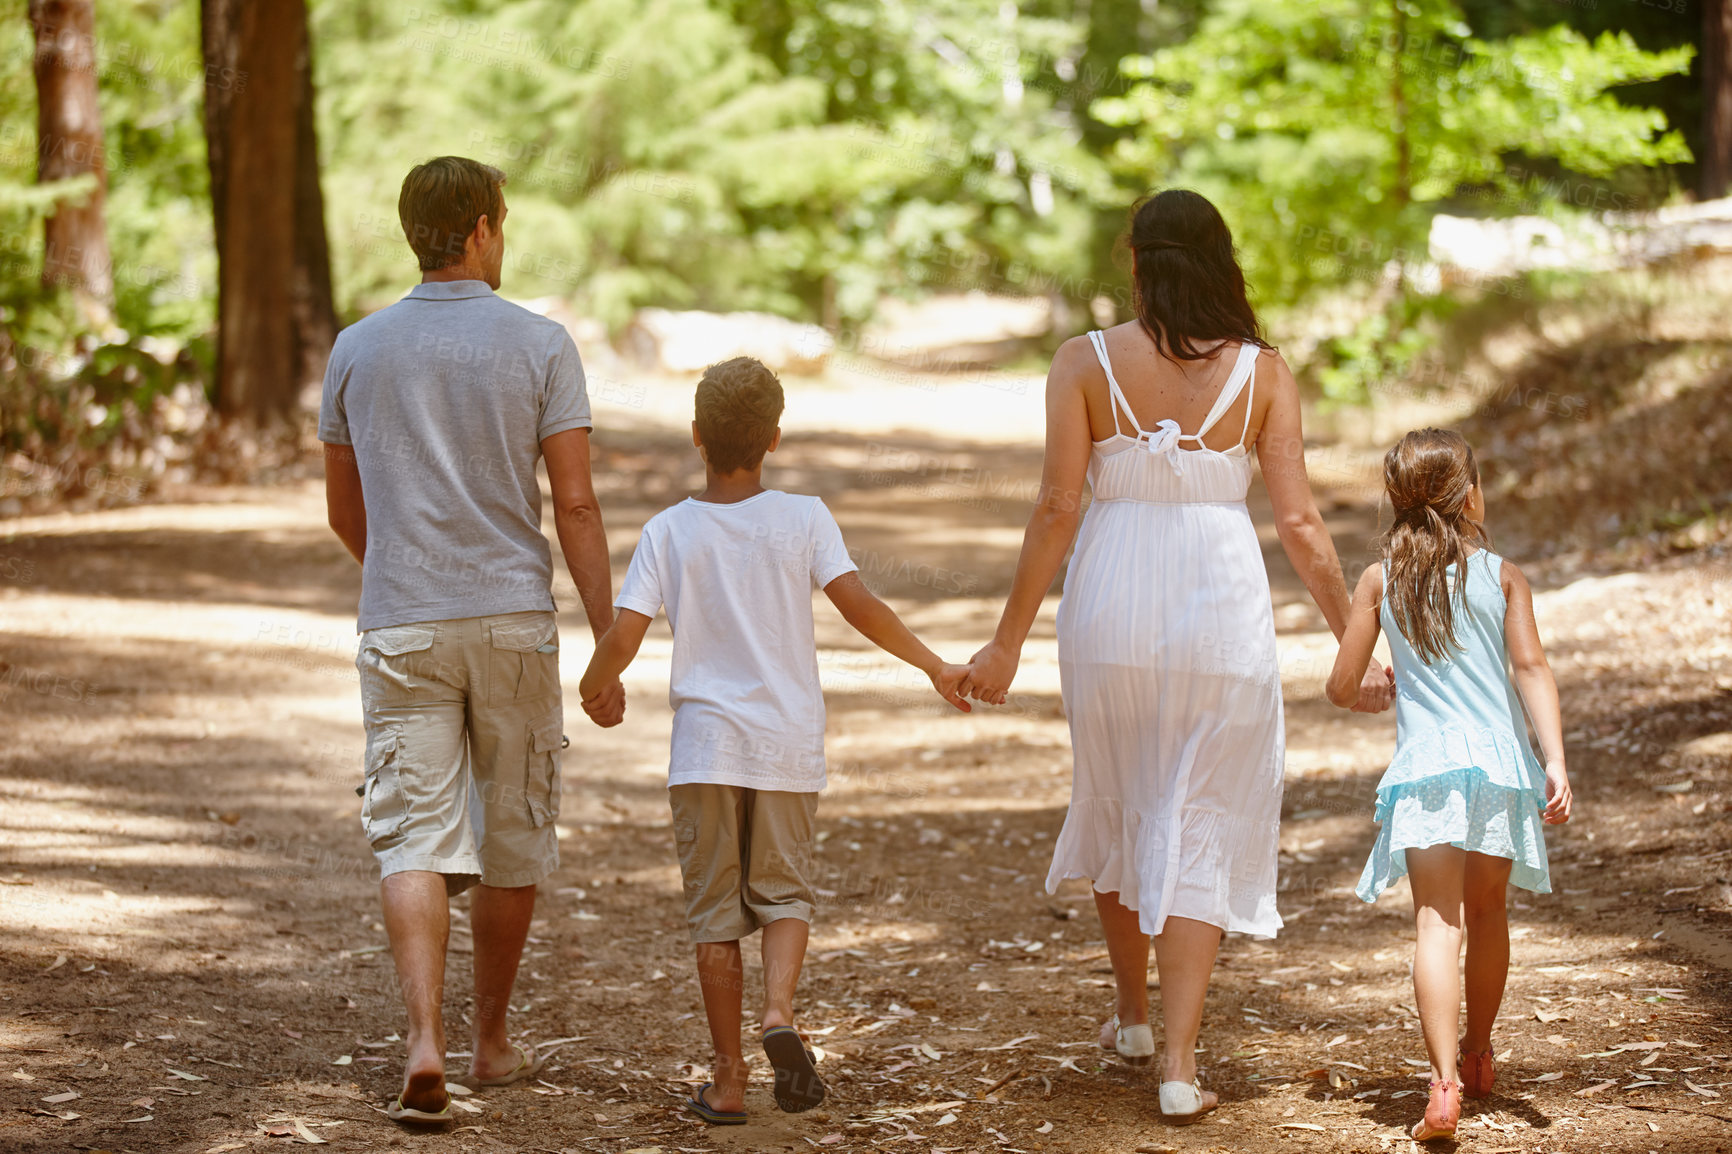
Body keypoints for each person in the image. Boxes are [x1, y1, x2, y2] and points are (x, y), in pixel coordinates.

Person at [961, 189, 1394, 1123]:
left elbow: (1055, 508)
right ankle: (1181, 1064)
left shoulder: (1083, 361)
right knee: (1197, 809)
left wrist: (1006, 642)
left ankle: (1131, 1014)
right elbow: (1303, 525)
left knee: (1122, 790)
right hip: (1218, 610)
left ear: (1139, 260)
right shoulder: (1266, 374)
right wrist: (1352, 645)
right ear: (1221, 260)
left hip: (1111, 604)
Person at [578, 356, 971, 1125]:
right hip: (787, 743)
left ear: (696, 436)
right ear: (775, 439)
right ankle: (780, 1014)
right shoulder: (805, 517)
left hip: (704, 751)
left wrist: (596, 684)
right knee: (785, 893)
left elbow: (625, 633)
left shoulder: (669, 531)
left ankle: (728, 1082)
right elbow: (860, 604)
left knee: (715, 917)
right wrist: (934, 664)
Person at [319, 156, 622, 1125]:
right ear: (484, 227)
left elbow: (342, 508)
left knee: (410, 831)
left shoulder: (356, 348)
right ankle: (489, 1041)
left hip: (401, 617)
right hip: (510, 622)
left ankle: (422, 1041)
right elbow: (573, 502)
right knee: (511, 834)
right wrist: (609, 634)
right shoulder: (539, 344)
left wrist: (403, 566)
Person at [1326, 427, 1572, 1142]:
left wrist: (1376, 688)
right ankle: (1481, 1052)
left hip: (1427, 772)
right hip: (1498, 768)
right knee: (1489, 913)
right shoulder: (1502, 575)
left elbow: (1341, 685)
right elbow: (1532, 669)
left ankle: (1442, 1086)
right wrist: (1553, 759)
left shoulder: (1380, 581)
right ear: (1470, 496)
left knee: (1437, 923)